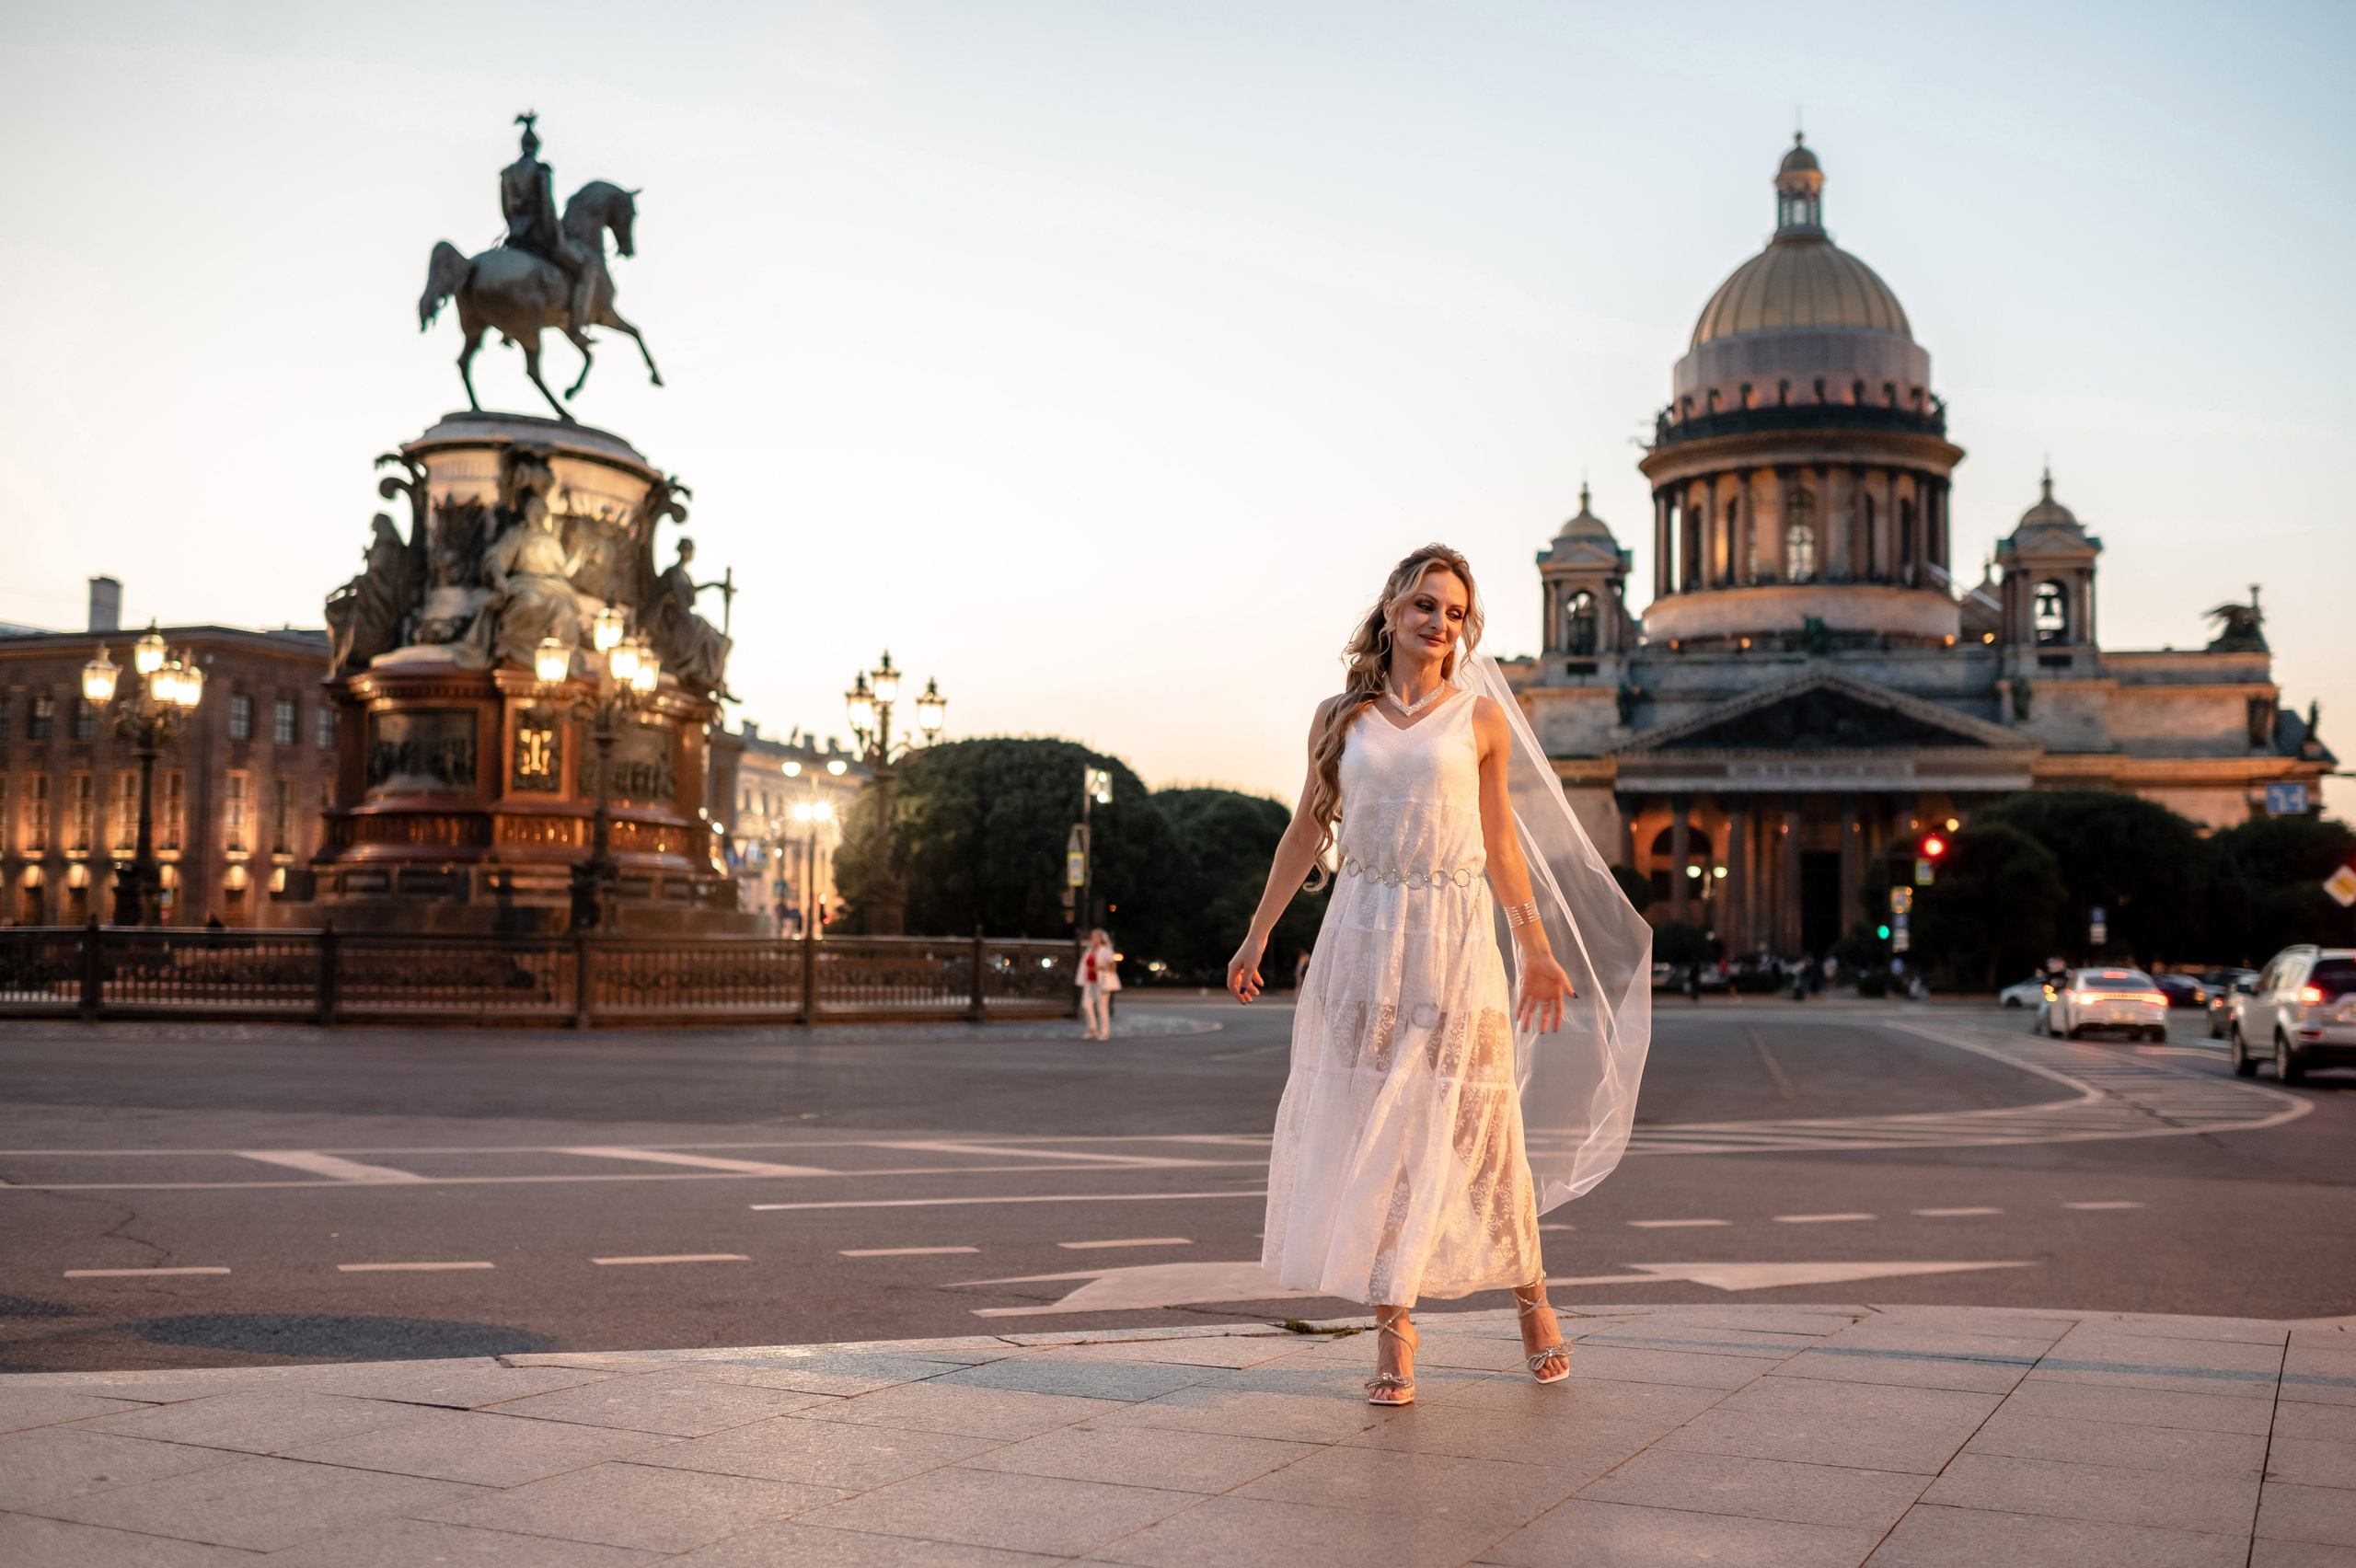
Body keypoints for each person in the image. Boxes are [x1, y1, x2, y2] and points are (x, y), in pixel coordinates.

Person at [1228, 545, 1652, 1407]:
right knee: (1373, 1133)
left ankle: (1533, 1300)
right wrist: (1257, 934)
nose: (1439, 623)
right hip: (1361, 938)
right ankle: (1394, 1335)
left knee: (1482, 1136)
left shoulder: (1481, 720)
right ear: (1391, 609)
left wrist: (1534, 947)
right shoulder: (1338, 718)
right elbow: (1306, 835)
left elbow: (1499, 843)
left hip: (1456, 942)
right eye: (1425, 605)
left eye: (1454, 612)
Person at [1077, 928, 1119, 1041]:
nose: (1092, 939)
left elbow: (1113, 966)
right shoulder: (1090, 950)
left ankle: (1105, 1032)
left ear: (1100, 939)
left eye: (1094, 937)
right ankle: (1092, 1028)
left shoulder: (1106, 950)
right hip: (1090, 981)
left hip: (1102, 982)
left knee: (1102, 1007)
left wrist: (1102, 967)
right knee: (1086, 1004)